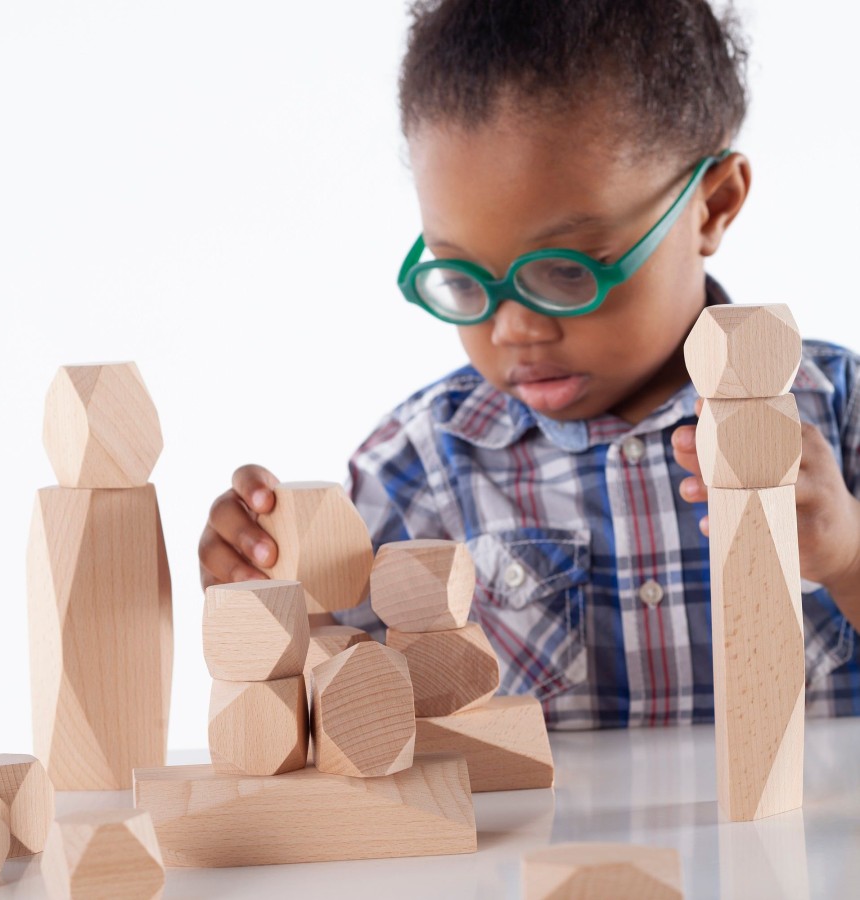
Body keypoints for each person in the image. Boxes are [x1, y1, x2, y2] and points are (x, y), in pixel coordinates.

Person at [198, 0, 860, 729]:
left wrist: (849, 559)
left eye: (568, 272)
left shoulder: (838, 412)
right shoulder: (420, 468)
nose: (513, 328)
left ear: (713, 204)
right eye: (462, 281)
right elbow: (333, 704)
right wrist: (270, 592)